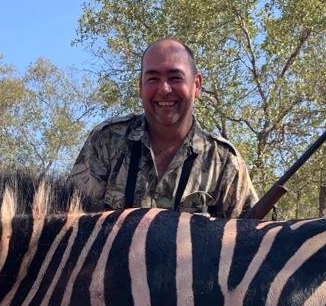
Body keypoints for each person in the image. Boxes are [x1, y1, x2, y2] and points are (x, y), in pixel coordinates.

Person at [69, 38, 257, 218]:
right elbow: (70, 224)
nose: (164, 89)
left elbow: (248, 239)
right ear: (140, 86)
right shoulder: (106, 141)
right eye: (153, 79)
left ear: (197, 85)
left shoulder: (225, 161)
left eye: (175, 77)